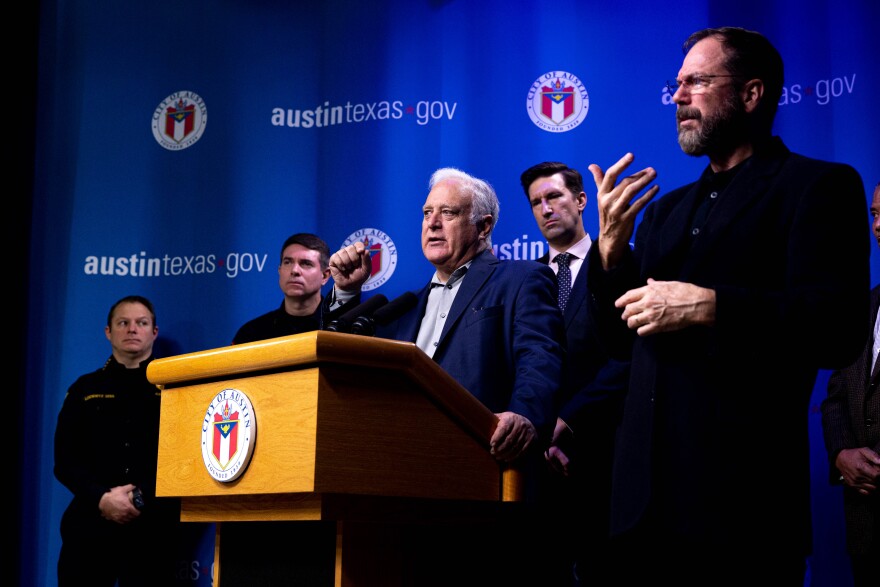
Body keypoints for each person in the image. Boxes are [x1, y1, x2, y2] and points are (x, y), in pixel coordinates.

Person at [584, 27, 870, 585]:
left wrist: (712, 307)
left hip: (740, 509)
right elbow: (620, 345)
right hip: (639, 513)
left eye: (697, 81)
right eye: (678, 82)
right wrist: (612, 255)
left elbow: (837, 326)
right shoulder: (665, 212)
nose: (678, 96)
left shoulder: (818, 186)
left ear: (752, 93)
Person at [330, 166, 566, 583]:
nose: (432, 223)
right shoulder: (403, 306)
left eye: (449, 213)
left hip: (485, 484)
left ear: (483, 225)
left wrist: (525, 415)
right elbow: (345, 360)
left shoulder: (520, 278)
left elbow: (539, 356)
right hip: (406, 491)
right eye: (426, 213)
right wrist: (347, 294)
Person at [520, 161, 630, 586]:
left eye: (554, 197)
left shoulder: (618, 263)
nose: (545, 209)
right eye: (535, 203)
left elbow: (628, 357)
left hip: (605, 456)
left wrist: (569, 421)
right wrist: (542, 432)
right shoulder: (524, 280)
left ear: (582, 201)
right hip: (537, 465)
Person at [54, 295, 182, 586]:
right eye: (123, 323)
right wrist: (102, 498)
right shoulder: (84, 389)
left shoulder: (175, 389)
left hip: (153, 527)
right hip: (91, 521)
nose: (132, 329)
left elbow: (182, 458)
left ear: (154, 332)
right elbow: (65, 461)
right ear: (108, 332)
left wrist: (140, 498)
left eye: (141, 323)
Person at [821, 181, 880, 587]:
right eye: (875, 215)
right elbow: (837, 391)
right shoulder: (866, 304)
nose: (879, 226)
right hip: (866, 525)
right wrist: (841, 451)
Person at [232, 232, 370, 343]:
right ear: (280, 270)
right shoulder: (251, 333)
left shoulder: (343, 327)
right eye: (288, 262)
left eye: (306, 263)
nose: (295, 270)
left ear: (325, 276)